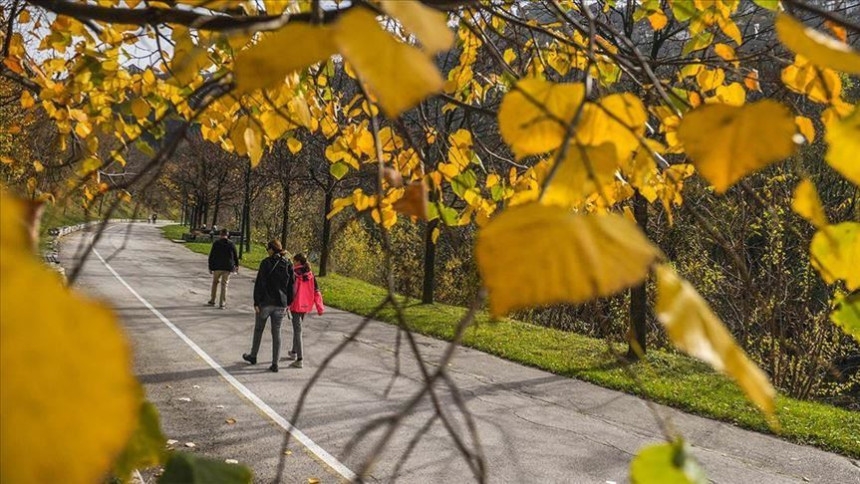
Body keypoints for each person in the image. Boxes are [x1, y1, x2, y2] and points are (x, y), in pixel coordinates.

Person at [243, 240, 295, 372]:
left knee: (258, 330)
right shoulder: (288, 264)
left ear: (272, 249)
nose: (267, 251)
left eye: (268, 248)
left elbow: (260, 283)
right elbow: (291, 285)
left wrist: (256, 302)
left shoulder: (266, 263)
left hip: (265, 302)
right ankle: (275, 363)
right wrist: (288, 302)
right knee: (276, 333)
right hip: (280, 304)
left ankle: (253, 356)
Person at [286, 253, 324, 369]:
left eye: (294, 261)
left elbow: (289, 289)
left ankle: (300, 359)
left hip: (296, 304)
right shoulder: (310, 275)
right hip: (306, 304)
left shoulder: (295, 274)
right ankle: (293, 351)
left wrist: (286, 303)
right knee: (298, 327)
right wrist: (319, 306)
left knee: (298, 330)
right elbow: (316, 291)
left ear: (298, 262)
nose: (293, 263)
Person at [207, 228, 239, 309]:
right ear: (227, 235)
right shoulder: (231, 244)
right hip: (227, 267)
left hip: (217, 267)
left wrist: (210, 267)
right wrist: (236, 265)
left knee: (215, 283)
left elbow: (211, 256)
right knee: (224, 285)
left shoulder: (216, 243)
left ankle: (212, 300)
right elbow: (235, 255)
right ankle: (222, 304)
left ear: (220, 234)